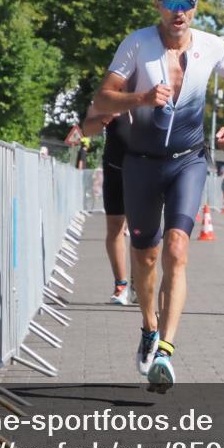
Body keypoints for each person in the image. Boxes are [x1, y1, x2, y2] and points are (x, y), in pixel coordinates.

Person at [93, 0, 224, 391]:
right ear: (158, 4)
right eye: (172, 4)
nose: (180, 13)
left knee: (177, 247)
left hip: (187, 161)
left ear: (196, 6)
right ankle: (148, 328)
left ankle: (165, 352)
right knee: (146, 257)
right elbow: (102, 98)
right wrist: (140, 98)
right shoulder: (137, 44)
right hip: (141, 163)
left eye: (187, 4)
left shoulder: (212, 46)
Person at [83, 106, 135, 306]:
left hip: (143, 169)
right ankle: (121, 285)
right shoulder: (107, 97)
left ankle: (138, 284)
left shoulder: (152, 92)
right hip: (114, 168)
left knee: (141, 230)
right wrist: (105, 117)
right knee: (115, 227)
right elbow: (87, 129)